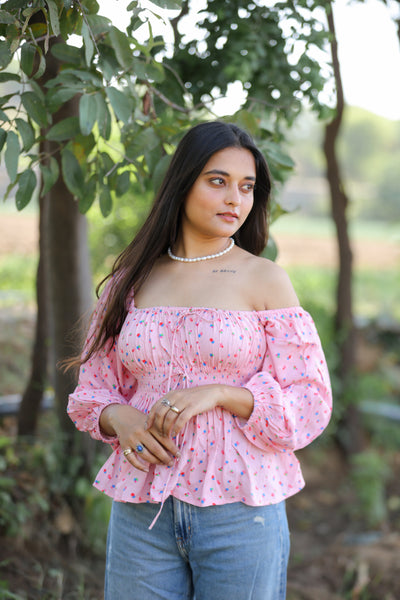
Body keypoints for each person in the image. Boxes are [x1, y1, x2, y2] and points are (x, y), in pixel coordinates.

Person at [67, 120, 332, 600]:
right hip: (142, 507)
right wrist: (119, 418)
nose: (235, 199)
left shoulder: (265, 279)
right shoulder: (132, 280)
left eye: (247, 187)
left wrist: (222, 393)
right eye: (218, 181)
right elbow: (93, 389)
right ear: (183, 182)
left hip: (241, 508)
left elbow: (310, 401)